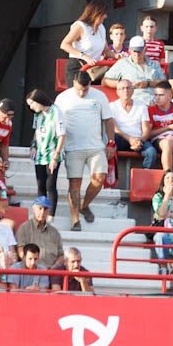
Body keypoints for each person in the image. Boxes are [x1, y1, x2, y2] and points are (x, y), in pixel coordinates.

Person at [52, 72, 114, 231]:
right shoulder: (62, 97)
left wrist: (111, 143)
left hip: (96, 146)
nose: (81, 93)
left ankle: (84, 205)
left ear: (90, 84)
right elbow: (54, 121)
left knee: (99, 179)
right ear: (73, 83)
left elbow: (108, 119)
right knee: (74, 185)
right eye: (79, 89)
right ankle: (75, 221)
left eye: (85, 89)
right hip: (72, 147)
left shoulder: (99, 96)